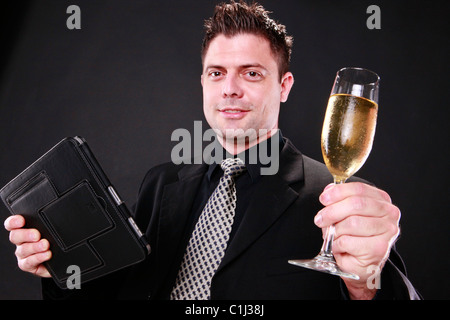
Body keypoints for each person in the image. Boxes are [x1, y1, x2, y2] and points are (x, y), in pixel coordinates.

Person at [4, 1, 419, 300]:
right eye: (216, 73)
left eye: (251, 73)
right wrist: (62, 266)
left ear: (284, 86)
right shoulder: (161, 183)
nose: (230, 88)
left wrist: (366, 284)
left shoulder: (339, 198)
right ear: (203, 82)